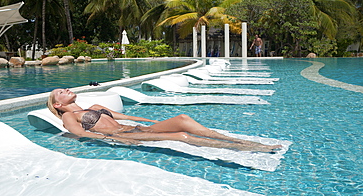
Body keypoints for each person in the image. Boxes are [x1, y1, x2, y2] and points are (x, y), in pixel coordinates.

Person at [47, 88, 282, 152]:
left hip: (136, 128)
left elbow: (127, 116)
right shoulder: (70, 115)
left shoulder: (95, 106)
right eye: (60, 93)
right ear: (57, 105)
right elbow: (79, 133)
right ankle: (252, 149)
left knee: (182, 119)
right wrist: (109, 137)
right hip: (124, 136)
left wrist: (151, 121)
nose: (66, 90)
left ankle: (237, 142)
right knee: (182, 136)